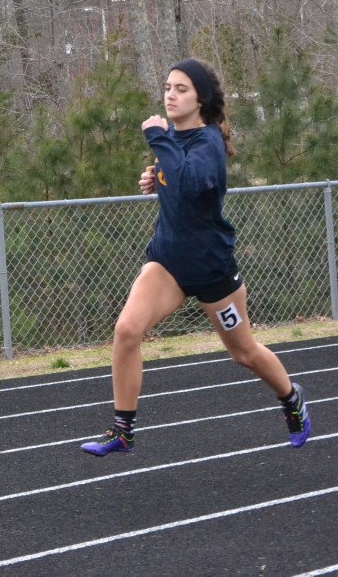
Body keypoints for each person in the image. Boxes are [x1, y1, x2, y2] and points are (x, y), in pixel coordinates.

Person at [81, 58, 311, 456]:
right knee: (127, 330)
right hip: (168, 262)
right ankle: (123, 430)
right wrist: (156, 179)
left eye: (181, 89)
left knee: (243, 353)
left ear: (200, 99)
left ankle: (292, 399)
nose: (170, 95)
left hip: (210, 269)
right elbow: (177, 179)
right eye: (167, 87)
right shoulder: (174, 137)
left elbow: (191, 181)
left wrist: (158, 140)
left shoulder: (208, 143)